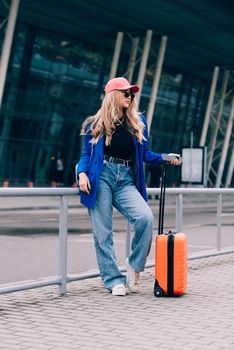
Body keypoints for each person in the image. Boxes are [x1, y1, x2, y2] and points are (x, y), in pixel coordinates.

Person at [76, 77, 181, 296]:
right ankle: (113, 280)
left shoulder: (138, 122)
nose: (130, 97)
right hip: (101, 176)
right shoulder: (93, 124)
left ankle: (134, 265)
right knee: (103, 233)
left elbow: (144, 155)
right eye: (126, 93)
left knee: (145, 217)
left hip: (125, 178)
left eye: (132, 94)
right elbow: (86, 154)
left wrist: (164, 157)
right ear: (113, 95)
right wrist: (82, 173)